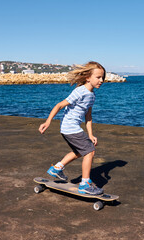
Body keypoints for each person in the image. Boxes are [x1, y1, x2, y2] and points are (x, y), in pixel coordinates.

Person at [38, 61, 105, 195]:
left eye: (103, 77)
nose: (101, 80)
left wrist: (90, 135)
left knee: (80, 151)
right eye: (98, 77)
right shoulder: (80, 91)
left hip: (70, 128)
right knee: (90, 151)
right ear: (88, 77)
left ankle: (56, 168)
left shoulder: (92, 95)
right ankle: (85, 184)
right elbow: (59, 105)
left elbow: (88, 116)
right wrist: (48, 122)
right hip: (70, 127)